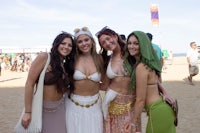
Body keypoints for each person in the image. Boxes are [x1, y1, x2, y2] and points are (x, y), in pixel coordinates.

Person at [21, 32, 75, 133]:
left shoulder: (65, 65)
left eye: (70, 45)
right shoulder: (44, 57)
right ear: (56, 44)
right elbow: (29, 84)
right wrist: (28, 112)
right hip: (42, 110)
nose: (66, 47)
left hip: (60, 110)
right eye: (63, 43)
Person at [125, 31, 176, 133]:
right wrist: (164, 91)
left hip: (157, 111)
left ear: (143, 45)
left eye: (136, 43)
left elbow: (140, 100)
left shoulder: (141, 67)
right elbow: (155, 82)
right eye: (129, 43)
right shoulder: (148, 63)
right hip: (163, 107)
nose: (131, 46)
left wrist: (133, 123)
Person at [96, 26, 141, 133]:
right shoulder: (107, 60)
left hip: (131, 104)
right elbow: (105, 84)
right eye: (103, 42)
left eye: (108, 38)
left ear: (115, 36)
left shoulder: (132, 54)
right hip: (111, 103)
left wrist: (163, 91)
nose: (107, 43)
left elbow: (149, 75)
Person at [65, 27, 104, 133]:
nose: (84, 44)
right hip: (74, 104)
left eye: (86, 40)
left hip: (95, 104)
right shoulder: (72, 58)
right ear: (76, 45)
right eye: (80, 41)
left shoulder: (99, 58)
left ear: (92, 40)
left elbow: (105, 82)